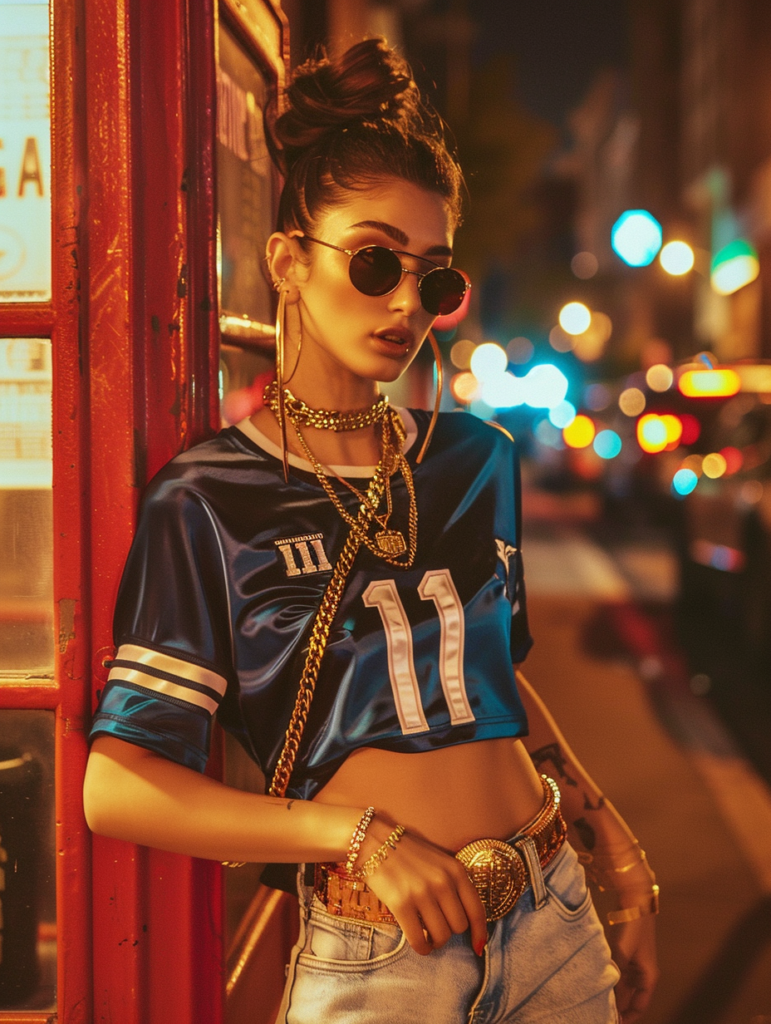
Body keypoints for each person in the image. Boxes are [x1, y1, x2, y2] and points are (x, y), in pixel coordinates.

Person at [83, 38, 659, 1023]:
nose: (403, 304)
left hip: (552, 914)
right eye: (375, 261)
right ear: (287, 263)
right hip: (382, 955)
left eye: (432, 280)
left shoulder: (473, 459)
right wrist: (357, 836)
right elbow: (117, 786)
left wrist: (610, 839)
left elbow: (484, 674)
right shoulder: (212, 495)